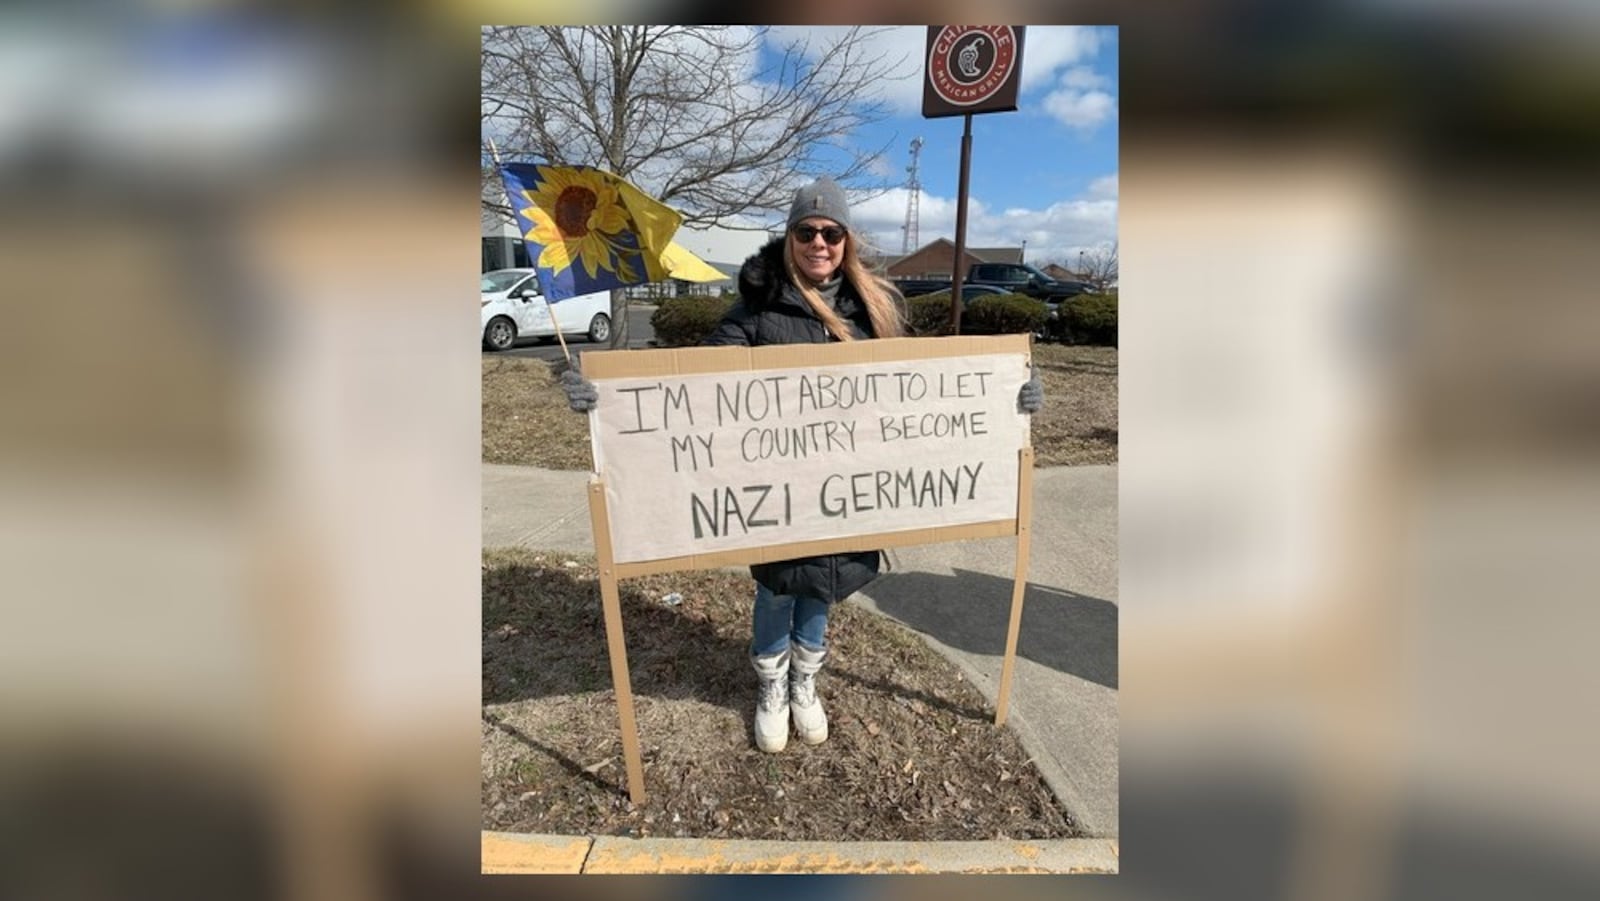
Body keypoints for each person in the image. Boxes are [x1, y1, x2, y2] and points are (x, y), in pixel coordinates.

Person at [562, 176, 1044, 753]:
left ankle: (805, 682)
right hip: (779, 495)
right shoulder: (758, 309)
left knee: (823, 585)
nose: (820, 242)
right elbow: (694, 382)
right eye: (807, 230)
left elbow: (929, 388)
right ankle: (770, 685)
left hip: (850, 491)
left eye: (832, 232)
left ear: (847, 241)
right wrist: (603, 393)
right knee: (779, 588)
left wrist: (1009, 393)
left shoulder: (876, 308)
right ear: (789, 236)